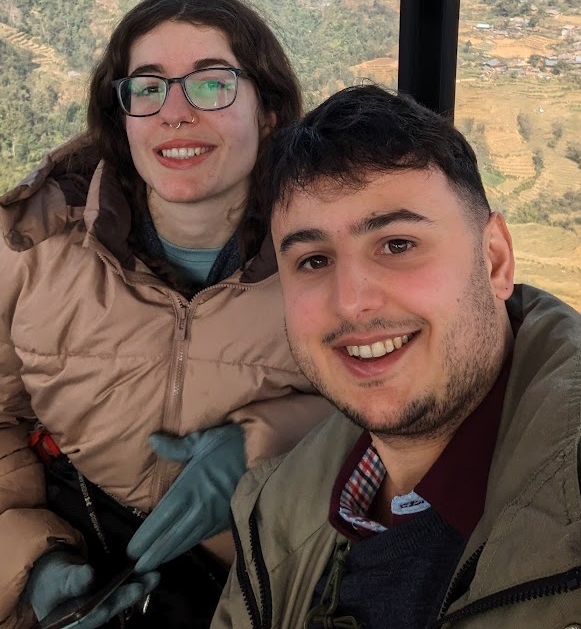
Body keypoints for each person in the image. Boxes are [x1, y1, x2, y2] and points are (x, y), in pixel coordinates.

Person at [0, 0, 331, 629]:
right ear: (121, 119)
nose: (174, 113)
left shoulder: (333, 252)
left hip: (273, 582)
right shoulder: (29, 248)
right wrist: (26, 564)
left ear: (267, 111)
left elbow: (413, 405)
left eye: (211, 85)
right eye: (148, 89)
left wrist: (264, 445)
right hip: (84, 562)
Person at [212, 84, 581, 629]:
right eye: (314, 261)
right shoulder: (274, 508)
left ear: (495, 260)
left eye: (397, 245)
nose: (352, 301)